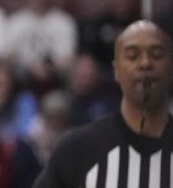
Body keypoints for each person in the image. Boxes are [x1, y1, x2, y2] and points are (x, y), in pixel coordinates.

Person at [33, 20, 173, 187]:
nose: (145, 63)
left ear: (171, 69)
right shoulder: (77, 149)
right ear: (116, 70)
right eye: (132, 55)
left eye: (156, 54)